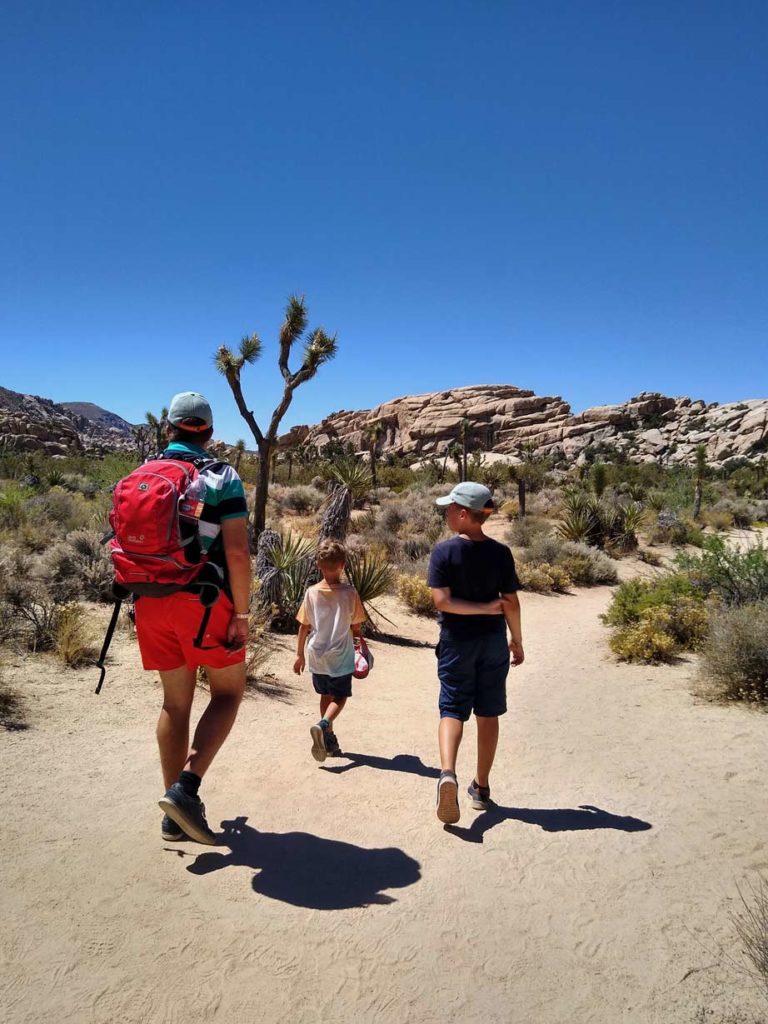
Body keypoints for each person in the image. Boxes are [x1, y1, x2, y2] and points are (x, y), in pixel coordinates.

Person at [132, 391, 252, 845]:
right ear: (210, 432)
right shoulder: (221, 475)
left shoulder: (143, 471)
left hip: (149, 599)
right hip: (203, 602)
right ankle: (186, 789)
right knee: (227, 693)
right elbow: (237, 551)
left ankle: (171, 815)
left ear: (168, 428)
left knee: (174, 703)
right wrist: (241, 613)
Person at [427, 481, 524, 824]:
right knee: (488, 712)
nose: (447, 513)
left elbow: (443, 602)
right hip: (493, 643)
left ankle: (448, 773)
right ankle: (481, 788)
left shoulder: (443, 553)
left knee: (452, 707)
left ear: (465, 514)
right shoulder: (501, 553)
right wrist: (517, 639)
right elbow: (510, 601)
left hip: (456, 642)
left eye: (451, 508)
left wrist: (479, 610)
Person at [293, 539, 366, 762]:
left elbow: (304, 626)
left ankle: (329, 738)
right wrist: (360, 645)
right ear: (343, 565)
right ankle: (323, 724)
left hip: (316, 653)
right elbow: (356, 625)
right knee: (341, 695)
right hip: (340, 654)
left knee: (325, 694)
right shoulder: (350, 593)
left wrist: (299, 655)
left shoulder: (311, 593)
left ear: (318, 564)